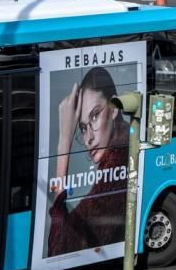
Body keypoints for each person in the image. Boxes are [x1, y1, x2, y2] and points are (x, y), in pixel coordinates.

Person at [48, 66, 129, 257]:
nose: (88, 138)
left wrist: (64, 143)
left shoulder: (119, 162)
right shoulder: (117, 156)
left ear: (115, 108)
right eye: (83, 127)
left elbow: (59, 250)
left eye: (95, 115)